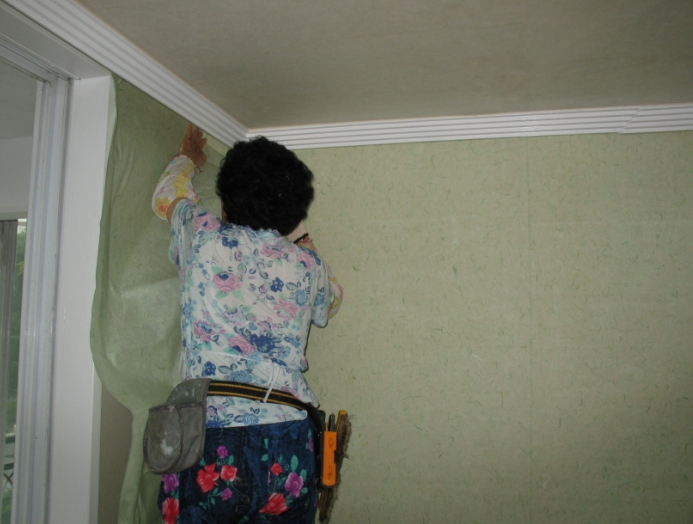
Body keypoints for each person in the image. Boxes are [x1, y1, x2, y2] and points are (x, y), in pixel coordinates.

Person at [151, 125, 343, 523]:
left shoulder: (202, 234)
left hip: (210, 435)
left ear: (227, 199)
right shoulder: (307, 265)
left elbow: (167, 196)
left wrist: (187, 158)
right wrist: (303, 243)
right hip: (289, 437)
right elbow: (332, 300)